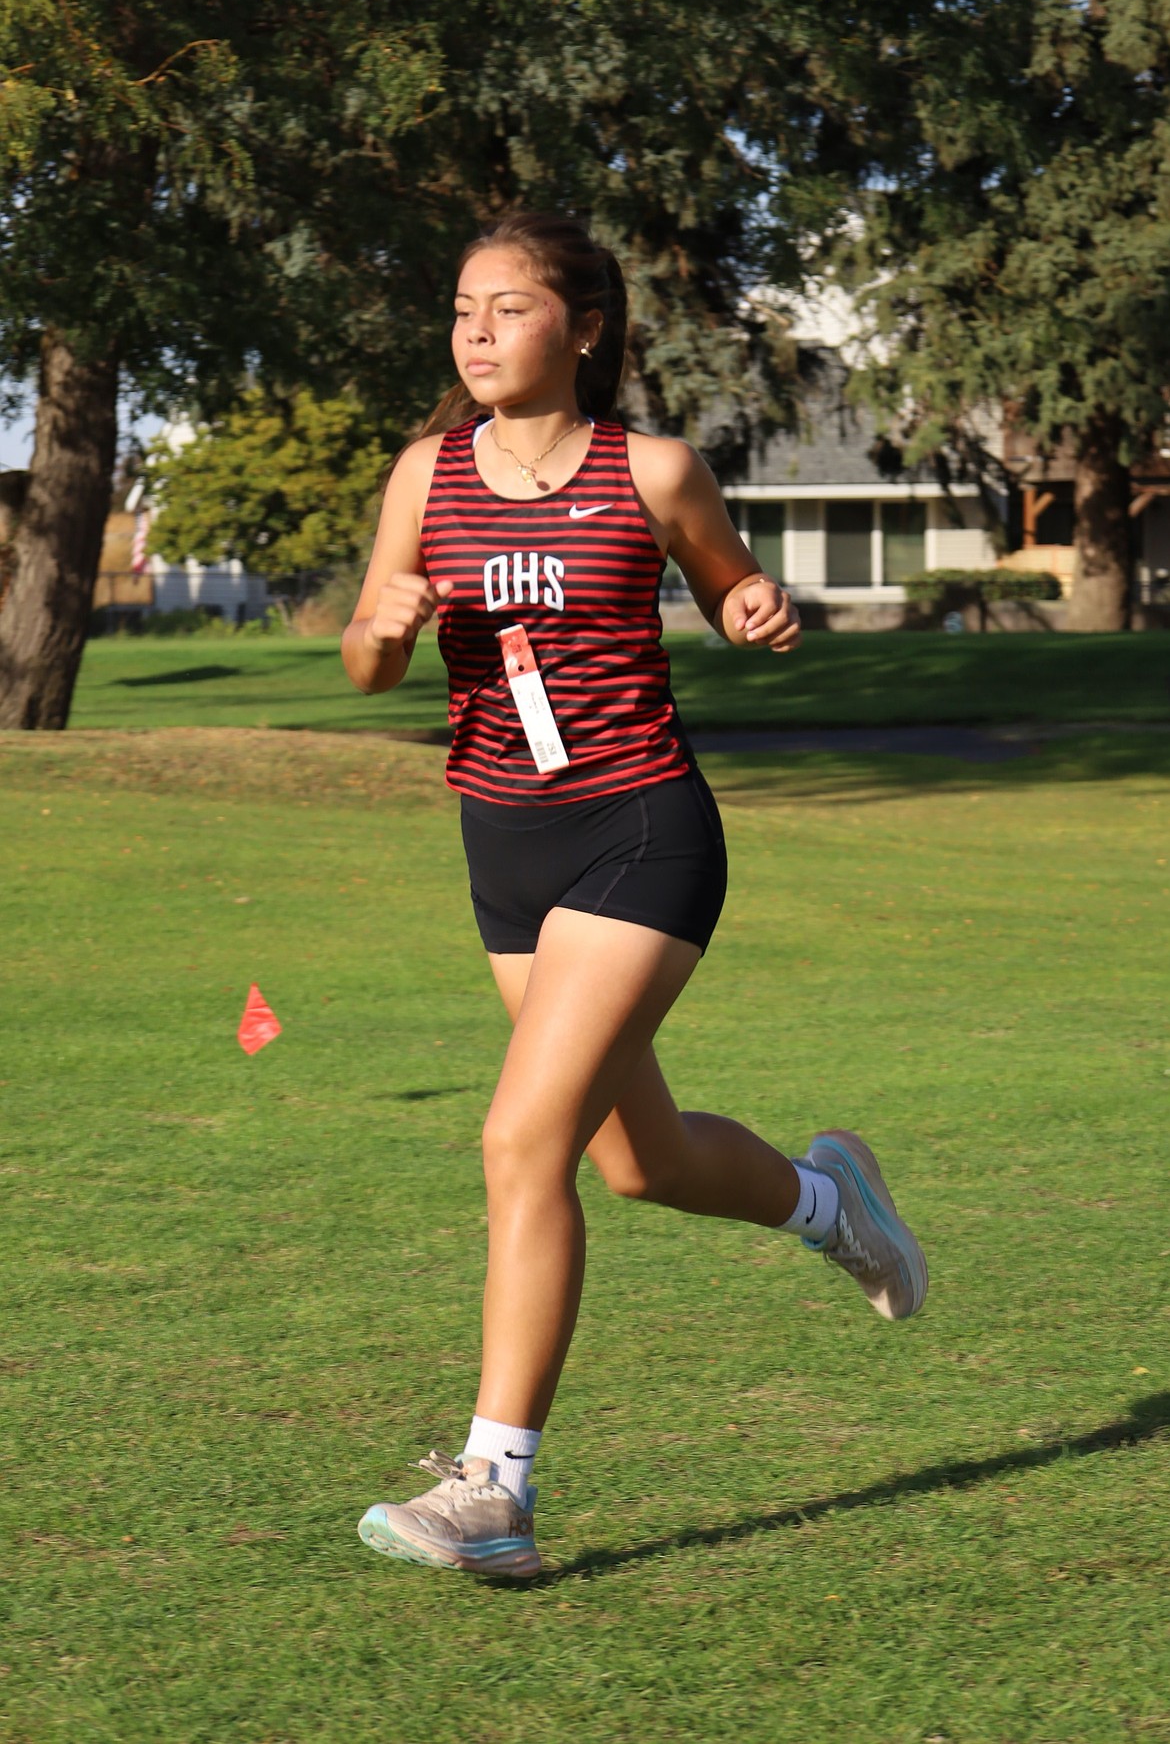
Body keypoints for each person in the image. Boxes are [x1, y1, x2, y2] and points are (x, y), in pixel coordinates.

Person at [340, 211, 927, 1580]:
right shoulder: (424, 475)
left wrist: (750, 611)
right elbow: (372, 660)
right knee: (630, 1159)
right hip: (502, 841)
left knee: (517, 1142)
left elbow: (726, 588)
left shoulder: (653, 469)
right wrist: (374, 636)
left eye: (507, 308)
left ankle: (495, 1489)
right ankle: (830, 1202)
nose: (474, 334)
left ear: (584, 326)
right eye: (460, 309)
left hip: (640, 832)